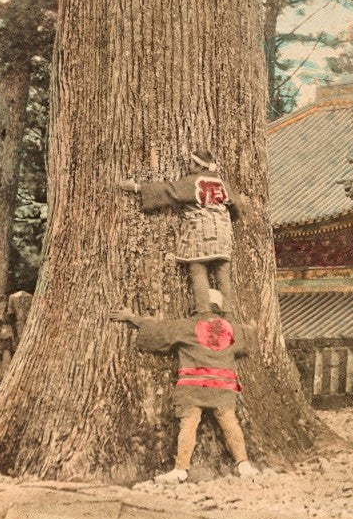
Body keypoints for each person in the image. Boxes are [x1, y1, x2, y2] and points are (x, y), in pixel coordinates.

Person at [109, 289, 256, 483]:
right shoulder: (232, 328)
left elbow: (157, 333)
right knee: (230, 423)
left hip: (193, 386)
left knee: (188, 425)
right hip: (223, 386)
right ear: (219, 308)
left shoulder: (187, 326)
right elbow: (248, 339)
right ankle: (244, 465)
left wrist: (132, 316)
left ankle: (181, 469)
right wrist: (253, 328)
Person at [119, 149, 240, 313]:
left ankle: (203, 312)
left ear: (198, 166)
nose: (189, 166)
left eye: (192, 163)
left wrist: (136, 187)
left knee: (198, 269)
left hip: (202, 230)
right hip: (223, 230)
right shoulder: (222, 183)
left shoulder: (193, 182)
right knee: (222, 271)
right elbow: (236, 207)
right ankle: (228, 312)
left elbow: (169, 190)